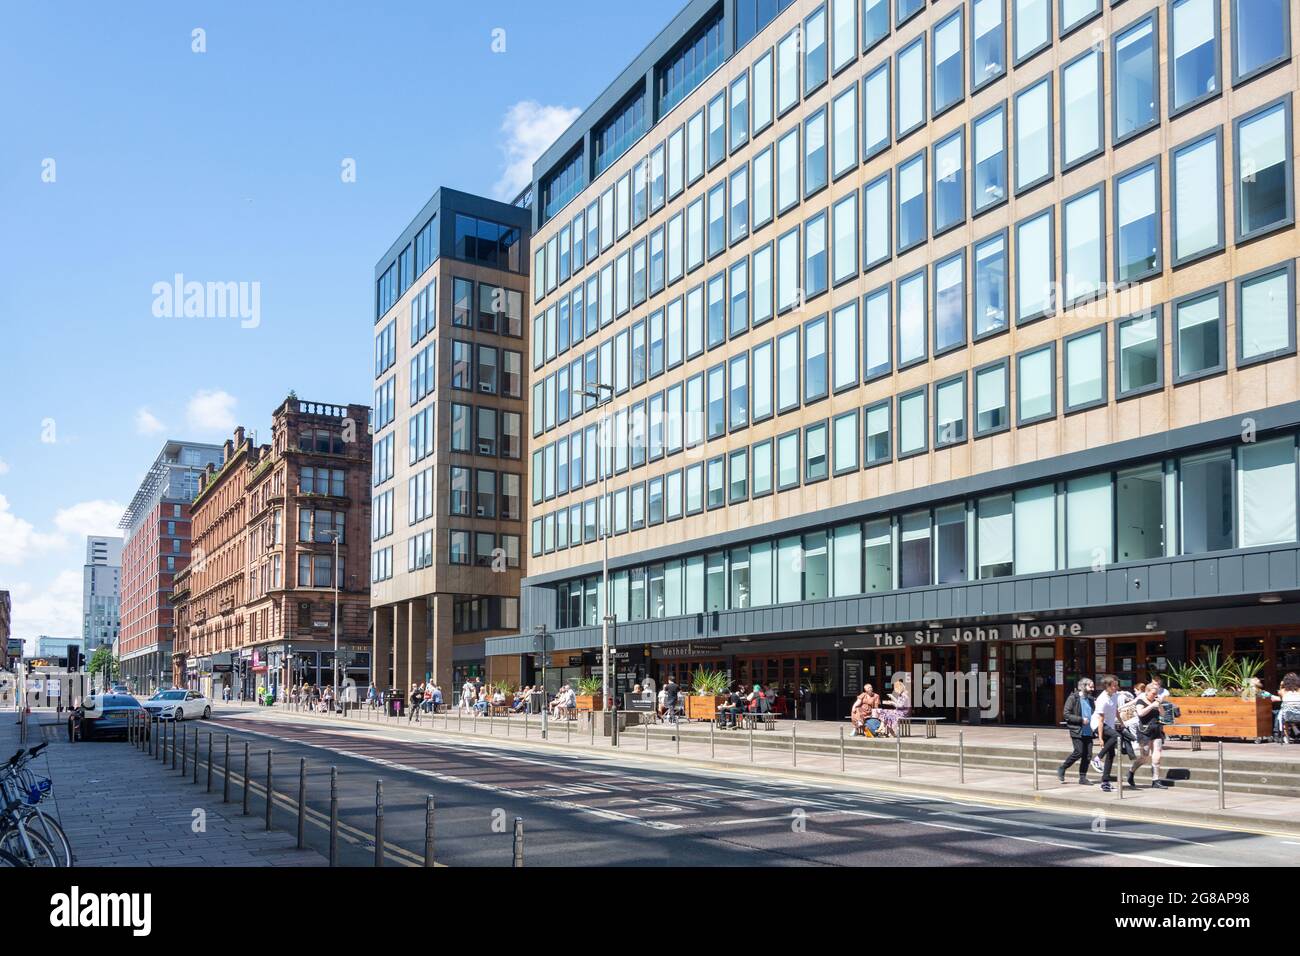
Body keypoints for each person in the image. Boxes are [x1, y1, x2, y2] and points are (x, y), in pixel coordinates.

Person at [1057, 678, 1096, 785]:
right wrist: (1081, 720)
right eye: (1090, 686)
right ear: (1083, 686)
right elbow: (1066, 714)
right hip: (1077, 729)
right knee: (1079, 752)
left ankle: (1082, 777)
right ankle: (1063, 767)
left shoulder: (1091, 700)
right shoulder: (1073, 698)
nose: (1093, 688)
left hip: (1089, 730)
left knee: (1088, 755)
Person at [1129, 685, 1170, 787]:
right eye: (1153, 693)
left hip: (1156, 729)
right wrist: (1152, 706)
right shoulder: (1140, 701)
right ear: (1147, 692)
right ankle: (1131, 771)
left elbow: (1163, 715)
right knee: (1144, 757)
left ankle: (1156, 780)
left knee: (1157, 755)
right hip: (1145, 731)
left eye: (1156, 693)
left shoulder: (1156, 702)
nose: (1155, 695)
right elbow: (1140, 713)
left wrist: (1159, 704)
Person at [1090, 675, 1122, 791]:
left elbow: (1116, 711)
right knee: (1117, 736)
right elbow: (1100, 720)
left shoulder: (1114, 695)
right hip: (1098, 725)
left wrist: (1122, 723)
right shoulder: (1102, 699)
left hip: (1109, 725)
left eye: (1117, 685)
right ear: (1107, 686)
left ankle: (1105, 782)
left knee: (1112, 754)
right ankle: (1097, 758)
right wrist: (1100, 738)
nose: (1116, 687)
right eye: (1114, 685)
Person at [1276, 672, 1300, 741]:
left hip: (1287, 716)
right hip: (1299, 714)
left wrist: (1281, 685)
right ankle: (1294, 727)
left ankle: (1286, 737)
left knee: (1282, 711)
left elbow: (1280, 698)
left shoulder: (1283, 691)